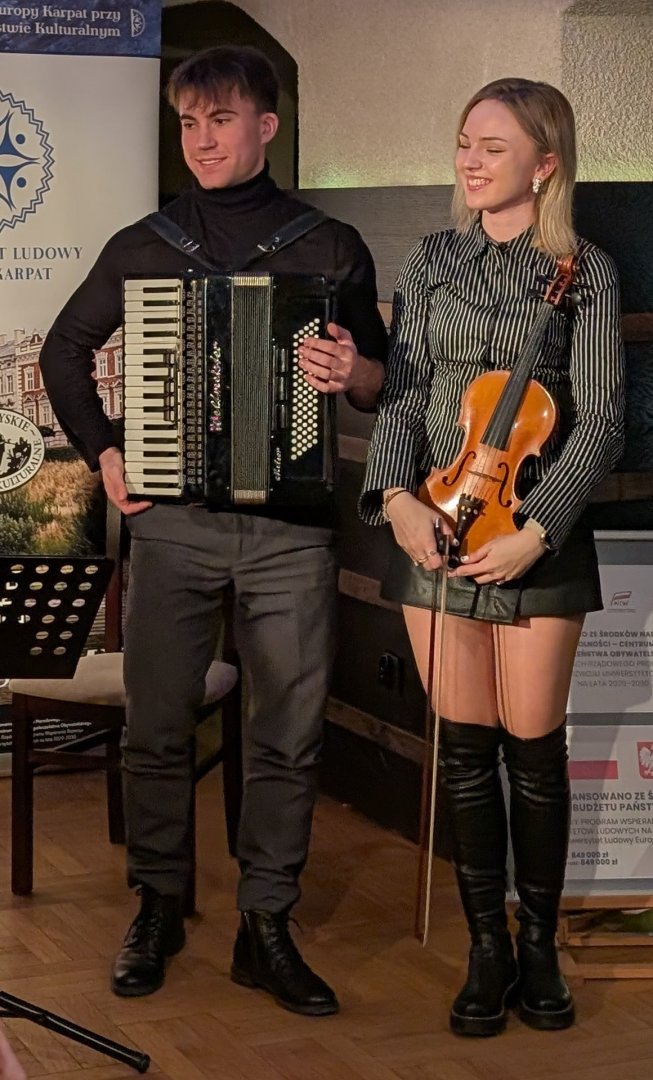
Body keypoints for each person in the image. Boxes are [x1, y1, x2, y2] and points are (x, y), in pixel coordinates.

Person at [40, 45, 387, 1014]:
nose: (200, 140)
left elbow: (380, 383)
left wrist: (353, 370)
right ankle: (158, 904)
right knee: (156, 726)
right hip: (173, 527)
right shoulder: (146, 244)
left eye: (220, 120)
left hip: (291, 533)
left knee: (287, 735)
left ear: (264, 126)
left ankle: (264, 923)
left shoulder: (327, 244)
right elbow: (66, 350)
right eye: (188, 123)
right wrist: (107, 451)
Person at [359, 78, 624, 1036]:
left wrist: (534, 530)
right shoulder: (431, 260)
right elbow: (402, 394)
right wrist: (394, 499)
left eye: (493, 147)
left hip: (532, 538)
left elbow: (600, 420)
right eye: (464, 142)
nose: (469, 161)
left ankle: (538, 947)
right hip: (435, 522)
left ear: (543, 164)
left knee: (534, 756)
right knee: (465, 755)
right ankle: (485, 950)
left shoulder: (585, 271)